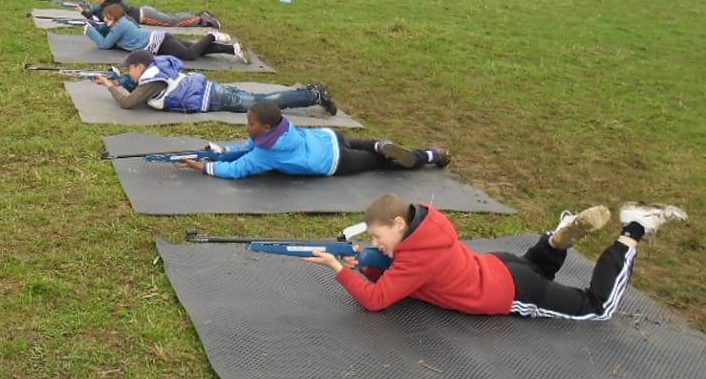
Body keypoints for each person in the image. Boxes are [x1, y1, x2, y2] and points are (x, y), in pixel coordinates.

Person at [304, 193, 688, 321]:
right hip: (499, 264)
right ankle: (554, 242)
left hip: (507, 290)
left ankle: (634, 228)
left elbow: (377, 300)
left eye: (377, 236)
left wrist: (338, 268)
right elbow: (397, 275)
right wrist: (368, 261)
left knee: (596, 307)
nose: (375, 241)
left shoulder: (414, 259)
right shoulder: (428, 228)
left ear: (400, 224)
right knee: (538, 268)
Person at [179, 100, 451, 179]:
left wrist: (205, 166)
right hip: (330, 136)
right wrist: (223, 150)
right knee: (369, 145)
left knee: (384, 163)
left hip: (335, 160)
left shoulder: (268, 153)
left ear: (265, 127)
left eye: (250, 123)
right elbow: (247, 150)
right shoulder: (281, 129)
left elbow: (240, 169)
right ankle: (379, 144)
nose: (246, 126)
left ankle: (430, 155)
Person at [94, 50, 337, 116]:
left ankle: (313, 95)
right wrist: (121, 80)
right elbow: (137, 87)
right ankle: (309, 93)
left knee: (262, 104)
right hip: (210, 89)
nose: (130, 73)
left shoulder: (151, 81)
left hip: (210, 97)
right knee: (260, 100)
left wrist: (110, 86)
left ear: (140, 67)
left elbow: (129, 103)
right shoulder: (157, 68)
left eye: (130, 69)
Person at [83, 4, 251, 64]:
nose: (105, 21)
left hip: (160, 43)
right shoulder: (121, 23)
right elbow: (106, 32)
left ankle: (212, 36)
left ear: (114, 17)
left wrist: (89, 30)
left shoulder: (120, 26)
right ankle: (233, 49)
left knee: (190, 54)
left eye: (107, 18)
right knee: (198, 49)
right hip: (160, 40)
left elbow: (105, 44)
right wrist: (94, 24)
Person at [76, 0, 221, 28]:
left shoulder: (110, 5)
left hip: (145, 16)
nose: (96, 1)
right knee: (171, 17)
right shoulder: (111, 0)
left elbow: (103, 17)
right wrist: (88, 9)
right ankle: (198, 16)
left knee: (171, 22)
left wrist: (86, 13)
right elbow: (99, 10)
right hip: (144, 11)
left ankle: (202, 19)